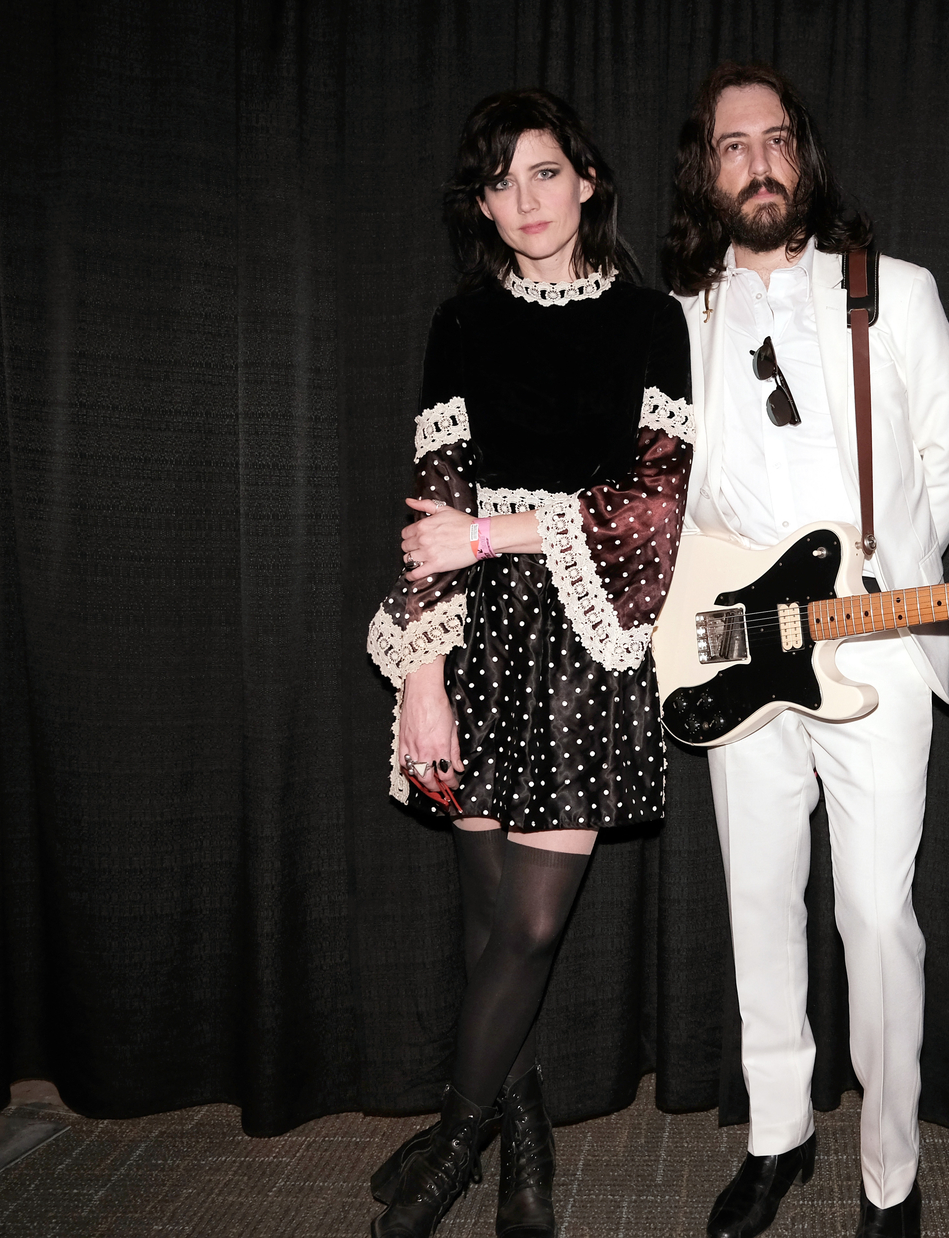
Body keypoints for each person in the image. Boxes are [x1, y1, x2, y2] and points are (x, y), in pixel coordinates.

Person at [365, 88, 692, 1238]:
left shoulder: (653, 321)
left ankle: (458, 1138)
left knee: (533, 926)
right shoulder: (461, 320)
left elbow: (654, 506)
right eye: (500, 183)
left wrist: (500, 533)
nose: (524, 201)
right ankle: (524, 1135)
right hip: (471, 635)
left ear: (588, 179)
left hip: (591, 636)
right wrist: (417, 671)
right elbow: (433, 501)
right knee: (485, 914)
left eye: (543, 173)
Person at [661, 64, 949, 1238]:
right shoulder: (681, 314)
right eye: (734, 145)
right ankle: (777, 1134)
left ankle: (889, 1173)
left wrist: (878, 585)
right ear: (709, 168)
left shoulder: (892, 292)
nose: (758, 161)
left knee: (876, 915)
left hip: (876, 648)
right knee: (757, 895)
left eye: (777, 139)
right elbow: (670, 495)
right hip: (740, 648)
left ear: (804, 156)